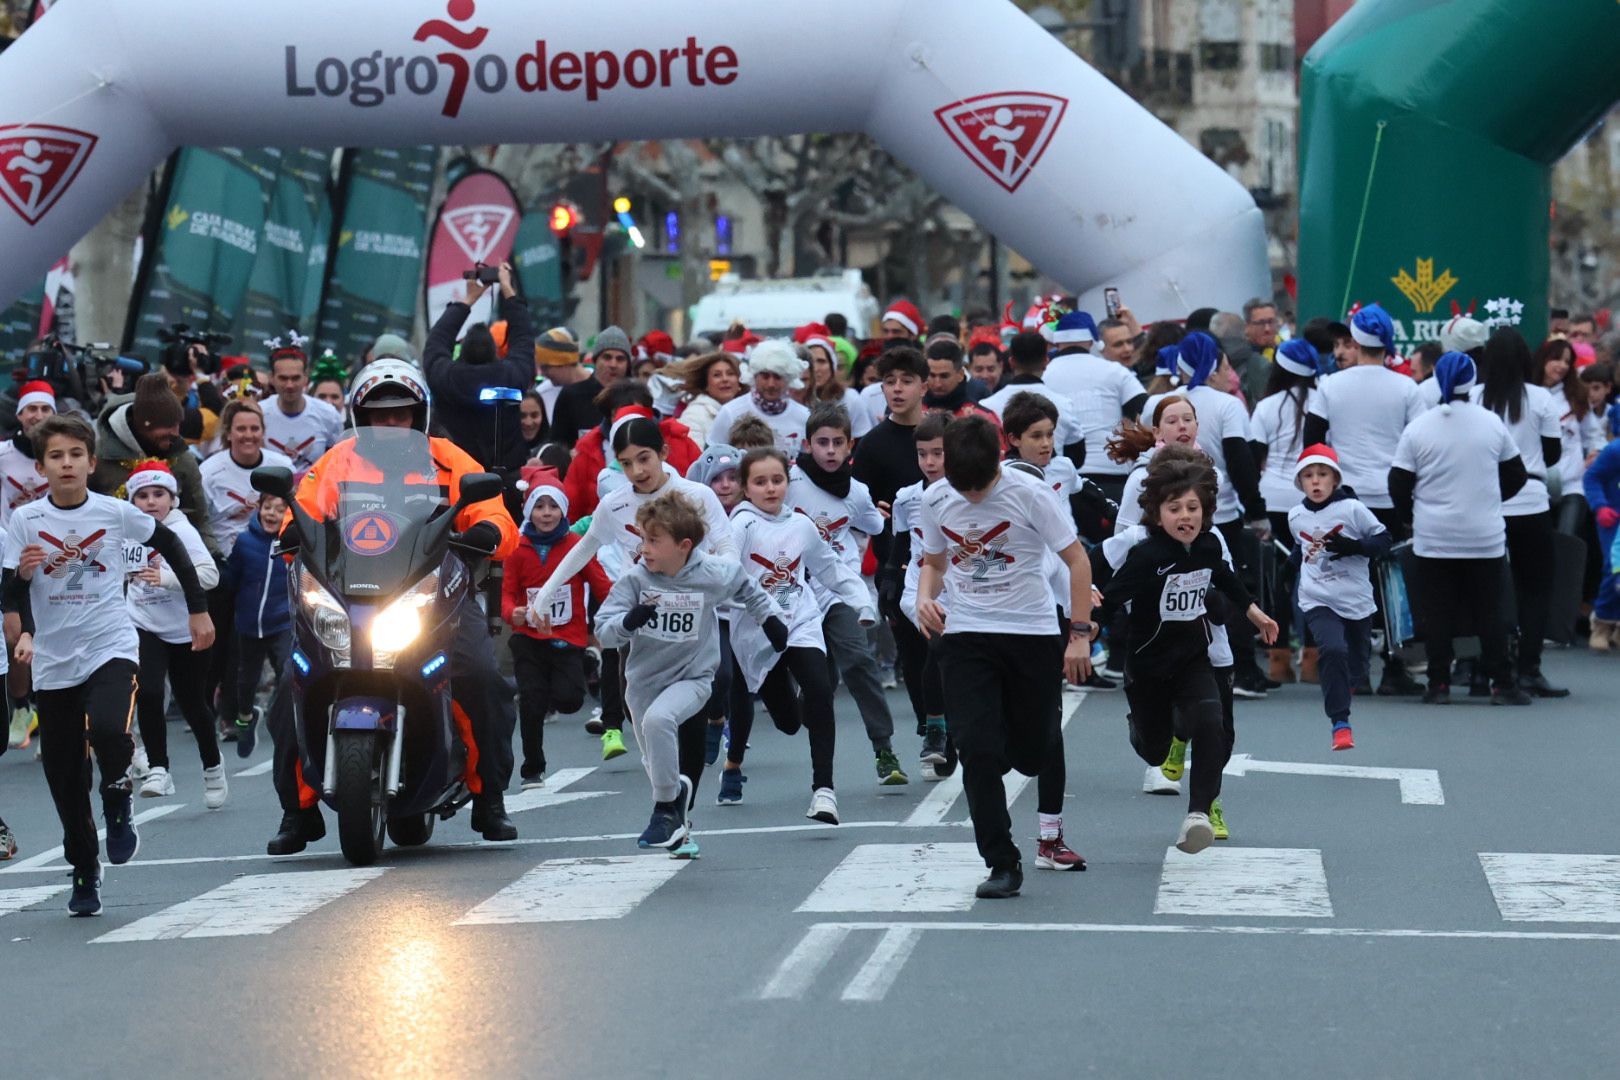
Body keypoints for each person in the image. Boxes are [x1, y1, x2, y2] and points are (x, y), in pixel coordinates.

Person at [264, 359, 521, 855]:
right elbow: (306, 506)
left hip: (435, 589)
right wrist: (292, 531)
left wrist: (488, 529)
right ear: (360, 417)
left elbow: (494, 513)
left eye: (401, 413)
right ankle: (297, 810)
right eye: (380, 415)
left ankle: (489, 797)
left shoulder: (449, 459)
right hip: (347, 592)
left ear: (419, 414)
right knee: (290, 687)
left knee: (482, 679)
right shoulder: (337, 460)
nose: (392, 423)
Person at [3, 415, 215, 916]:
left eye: (76, 455)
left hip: (109, 643)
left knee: (107, 728)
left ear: (91, 463)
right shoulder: (25, 521)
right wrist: (24, 616)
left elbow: (171, 544)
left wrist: (198, 607)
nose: (67, 464)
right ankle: (84, 868)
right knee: (64, 776)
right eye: (56, 457)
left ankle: (118, 798)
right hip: (54, 659)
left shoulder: (115, 512)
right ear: (41, 467)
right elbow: (11, 593)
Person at [917, 415, 1096, 897]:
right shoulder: (935, 498)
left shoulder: (1030, 494)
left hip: (1030, 633)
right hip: (968, 633)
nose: (972, 495)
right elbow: (934, 562)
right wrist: (923, 597)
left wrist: (1078, 635)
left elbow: (1077, 560)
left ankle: (1016, 751)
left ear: (998, 462)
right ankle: (1001, 862)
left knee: (1032, 751)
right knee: (976, 748)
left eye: (981, 486)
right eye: (963, 485)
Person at [1092, 447, 1278, 856]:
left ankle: (1198, 814)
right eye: (1175, 508)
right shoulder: (1146, 554)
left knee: (1212, 723)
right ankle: (1145, 730)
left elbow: (1228, 580)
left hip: (1194, 658)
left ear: (1206, 511)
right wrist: (1085, 627)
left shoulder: (1209, 545)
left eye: (1193, 507)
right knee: (1155, 750)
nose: (1186, 516)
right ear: (1158, 514)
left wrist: (1255, 613)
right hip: (1147, 665)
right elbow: (1110, 598)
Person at [530, 413, 735, 761]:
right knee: (635, 704)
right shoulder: (616, 505)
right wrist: (545, 595)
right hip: (643, 612)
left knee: (717, 684)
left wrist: (718, 580)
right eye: (626, 463)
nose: (638, 471)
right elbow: (583, 548)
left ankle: (714, 721)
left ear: (663, 452)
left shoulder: (695, 495)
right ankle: (668, 784)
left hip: (695, 608)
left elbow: (728, 549)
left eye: (644, 458)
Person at [596, 492, 787, 851]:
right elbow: (603, 631)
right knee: (655, 760)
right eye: (642, 538)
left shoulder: (714, 573)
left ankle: (666, 810)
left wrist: (771, 619)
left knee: (659, 722)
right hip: (642, 683)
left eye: (653, 540)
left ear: (684, 546)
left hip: (695, 677)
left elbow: (747, 586)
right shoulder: (635, 581)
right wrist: (627, 622)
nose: (644, 548)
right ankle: (677, 818)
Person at [726, 447, 873, 824]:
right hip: (756, 630)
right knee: (789, 722)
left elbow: (831, 569)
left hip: (801, 621)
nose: (771, 488)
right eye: (760, 482)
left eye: (777, 480)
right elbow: (725, 572)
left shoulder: (801, 525)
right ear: (745, 488)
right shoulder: (741, 525)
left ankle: (824, 791)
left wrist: (863, 604)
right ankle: (789, 704)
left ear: (788, 484)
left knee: (821, 691)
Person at [1302, 304, 1431, 696]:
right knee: (1392, 586)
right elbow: (1421, 442)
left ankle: (1355, 673)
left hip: (1345, 495)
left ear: (1356, 341)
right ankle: (1394, 668)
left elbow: (1313, 441)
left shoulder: (1331, 385)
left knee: (1349, 583)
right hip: (1392, 495)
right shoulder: (1407, 387)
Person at [1389, 352, 1531, 706]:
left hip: (1434, 537)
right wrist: (1491, 497)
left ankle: (1438, 684)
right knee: (1490, 612)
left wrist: (1412, 514)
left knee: (1437, 613)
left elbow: (1397, 483)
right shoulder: (1491, 423)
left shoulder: (1419, 427)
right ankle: (1502, 683)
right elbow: (1517, 474)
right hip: (1484, 536)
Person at [1147, 333, 1272, 697]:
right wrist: (1258, 512)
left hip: (1166, 514)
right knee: (1228, 587)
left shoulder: (1159, 402)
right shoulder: (1228, 405)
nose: (1230, 374)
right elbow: (1241, 461)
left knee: (1171, 587)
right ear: (1214, 368)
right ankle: (1241, 670)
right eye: (1226, 366)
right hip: (1220, 513)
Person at [788, 403, 905, 784]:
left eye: (838, 442)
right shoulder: (790, 482)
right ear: (808, 444)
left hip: (839, 587)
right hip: (796, 590)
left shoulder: (856, 491)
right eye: (822, 442)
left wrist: (881, 514)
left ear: (849, 445)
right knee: (817, 678)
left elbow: (873, 522)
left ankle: (883, 749)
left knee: (857, 660)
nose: (831, 450)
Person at [502, 468, 612, 789]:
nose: (546, 513)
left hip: (567, 637)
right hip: (529, 639)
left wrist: (623, 610)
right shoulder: (517, 549)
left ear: (564, 509)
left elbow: (602, 585)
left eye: (553, 506)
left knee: (570, 701)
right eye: (539, 506)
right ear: (528, 511)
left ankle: (586, 663)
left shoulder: (577, 545)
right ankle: (532, 768)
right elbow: (506, 595)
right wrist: (515, 613)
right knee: (532, 703)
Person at [124, 460, 226, 806]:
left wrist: (166, 579)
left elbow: (210, 576)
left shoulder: (182, 531)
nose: (151, 502)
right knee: (149, 692)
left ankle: (212, 765)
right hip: (144, 622)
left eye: (159, 494)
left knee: (192, 703)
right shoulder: (127, 531)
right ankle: (158, 769)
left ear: (173, 499)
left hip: (186, 627)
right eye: (142, 495)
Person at [1473, 329, 1567, 697]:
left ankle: (1483, 668)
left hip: (1486, 500)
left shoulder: (1476, 397)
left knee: (1487, 589)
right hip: (1530, 500)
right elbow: (1554, 454)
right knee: (1535, 588)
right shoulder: (1541, 399)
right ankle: (1529, 667)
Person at [1002, 391, 1114, 692]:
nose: (1046, 443)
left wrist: (1110, 510)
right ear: (1013, 439)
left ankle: (1080, 669)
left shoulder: (1062, 466)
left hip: (1066, 556)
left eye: (1050, 434)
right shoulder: (1003, 475)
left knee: (1091, 608)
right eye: (1036, 436)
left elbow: (1084, 487)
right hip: (1030, 561)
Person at [1286, 445, 1392, 750]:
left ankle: (1347, 687)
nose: (1316, 482)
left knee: (1356, 666)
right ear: (1300, 482)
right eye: (1308, 476)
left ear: (1335, 480)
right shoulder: (1295, 515)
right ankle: (1340, 723)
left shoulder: (1352, 509)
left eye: (1322, 475)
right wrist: (1288, 568)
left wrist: (1355, 547)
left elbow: (1384, 540)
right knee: (1332, 649)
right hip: (1317, 596)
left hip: (1356, 599)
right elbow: (1302, 545)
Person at [881, 412, 952, 777]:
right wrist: (889, 581)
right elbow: (900, 547)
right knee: (925, 654)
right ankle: (934, 729)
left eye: (938, 453)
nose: (929, 462)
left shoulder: (966, 493)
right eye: (923, 454)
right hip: (918, 591)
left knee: (945, 656)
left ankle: (945, 730)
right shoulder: (907, 498)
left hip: (961, 590)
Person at [1249, 339, 1320, 681]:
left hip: (1274, 498)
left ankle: (1279, 662)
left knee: (1278, 580)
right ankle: (1313, 661)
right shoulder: (1324, 402)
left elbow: (1254, 457)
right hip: (1314, 497)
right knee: (1316, 578)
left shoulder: (1267, 406)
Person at [1041, 310, 1149, 533]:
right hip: (1113, 477)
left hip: (1060, 482)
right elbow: (1146, 412)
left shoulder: (1044, 375)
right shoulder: (1114, 371)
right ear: (1092, 340)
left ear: (1058, 341)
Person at [91, 372, 214, 544]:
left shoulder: (182, 459)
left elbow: (199, 520)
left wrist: (214, 557)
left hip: (169, 559)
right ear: (144, 425)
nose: (176, 434)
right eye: (167, 426)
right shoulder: (100, 457)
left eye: (177, 425)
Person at [1, 379, 53, 750]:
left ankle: (53, 711)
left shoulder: (61, 450)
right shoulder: (3, 455)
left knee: (49, 635)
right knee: (14, 635)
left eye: (45, 409)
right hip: (9, 552)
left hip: (54, 555)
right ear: (19, 414)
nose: (37, 415)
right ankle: (22, 706)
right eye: (31, 408)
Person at [563, 384, 702, 520]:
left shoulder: (680, 442)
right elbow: (572, 509)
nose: (628, 420)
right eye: (626, 463)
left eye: (636, 413)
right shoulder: (588, 449)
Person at [221, 493, 290, 756]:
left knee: (287, 671)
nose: (272, 514)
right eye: (267, 507)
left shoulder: (292, 544)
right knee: (246, 682)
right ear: (258, 509)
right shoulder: (245, 542)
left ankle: (282, 719)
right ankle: (245, 721)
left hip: (281, 623)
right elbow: (231, 579)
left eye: (280, 509)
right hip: (249, 623)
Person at [978, 331, 1085, 462]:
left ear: (1011, 362)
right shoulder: (1064, 404)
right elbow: (1077, 456)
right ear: (1046, 361)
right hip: (1053, 479)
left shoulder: (986, 406)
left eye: (1049, 434)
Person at [1536, 338, 1605, 537]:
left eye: (1567, 361)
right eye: (1556, 359)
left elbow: (1593, 434)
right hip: (1538, 486)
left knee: (1567, 541)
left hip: (1572, 484)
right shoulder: (1527, 393)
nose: (1562, 366)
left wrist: (1596, 451)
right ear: (1543, 360)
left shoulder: (1576, 395)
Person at [707, 339, 811, 455]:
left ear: (788, 379)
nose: (771, 384)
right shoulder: (730, 413)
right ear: (754, 376)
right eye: (765, 376)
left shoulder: (804, 416)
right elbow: (713, 460)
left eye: (777, 377)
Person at [262, 340, 345, 478]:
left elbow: (339, 461)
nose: (289, 385)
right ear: (272, 378)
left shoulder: (328, 415)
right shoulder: (260, 413)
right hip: (269, 494)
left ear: (306, 377)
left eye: (295, 378)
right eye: (283, 378)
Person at [549, 327, 633, 448]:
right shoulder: (571, 395)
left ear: (628, 364)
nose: (613, 365)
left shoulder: (636, 398)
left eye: (620, 359)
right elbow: (557, 444)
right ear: (595, 360)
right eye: (607, 357)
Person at [797, 325, 871, 437]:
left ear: (832, 366)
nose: (816, 368)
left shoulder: (850, 399)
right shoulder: (795, 399)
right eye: (811, 362)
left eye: (821, 361)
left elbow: (862, 440)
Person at [1583, 437, 1620, 650]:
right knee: (1613, 568)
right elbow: (1592, 477)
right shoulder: (1615, 450)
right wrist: (1600, 506)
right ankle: (1602, 624)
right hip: (1613, 518)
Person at [674, 351, 743, 446]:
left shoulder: (748, 409)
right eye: (717, 375)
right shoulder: (693, 415)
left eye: (730, 374)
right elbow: (695, 456)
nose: (725, 379)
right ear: (706, 384)